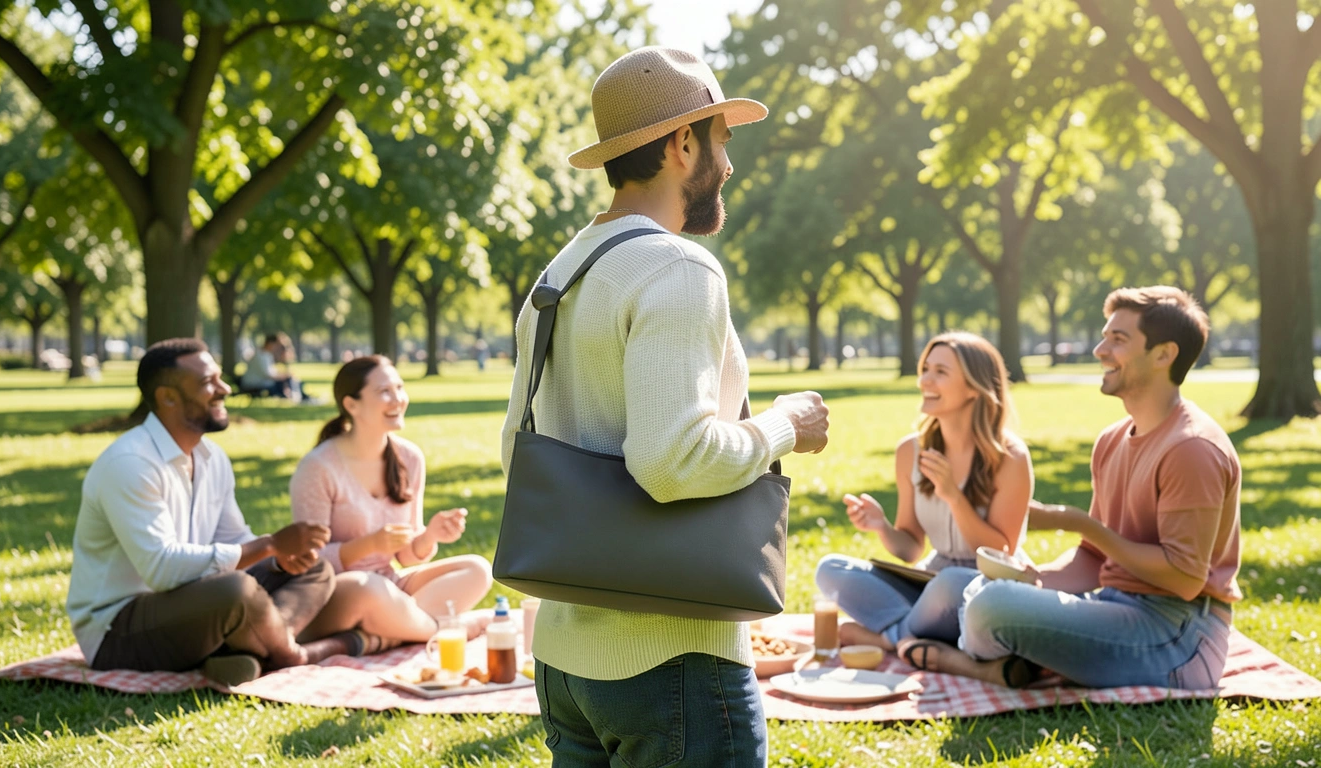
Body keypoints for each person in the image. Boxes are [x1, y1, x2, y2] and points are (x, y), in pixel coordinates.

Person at [499, 46, 830, 767]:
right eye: (722, 141)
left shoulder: (559, 274)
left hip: (563, 659)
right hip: (673, 658)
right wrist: (786, 427)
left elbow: (515, 449)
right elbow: (671, 462)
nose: (730, 167)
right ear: (684, 143)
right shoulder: (678, 267)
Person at [899, 287, 1242, 690]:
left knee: (989, 607)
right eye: (1104, 336)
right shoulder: (1112, 440)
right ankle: (1009, 655)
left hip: (1178, 633)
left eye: (1118, 340)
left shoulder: (1191, 449)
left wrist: (1077, 522)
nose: (1100, 349)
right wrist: (1032, 580)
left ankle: (964, 660)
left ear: (1164, 354)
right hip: (1114, 605)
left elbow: (1184, 579)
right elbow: (1093, 561)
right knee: (965, 584)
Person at [66, 339, 356, 687]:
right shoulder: (131, 464)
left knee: (315, 569)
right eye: (208, 383)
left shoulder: (211, 457)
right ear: (167, 397)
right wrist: (268, 545)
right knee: (236, 590)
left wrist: (280, 558)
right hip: (119, 630)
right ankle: (292, 655)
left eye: (220, 378)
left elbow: (233, 539)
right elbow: (161, 569)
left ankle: (244, 656)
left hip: (192, 603)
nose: (225, 389)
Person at [816, 332, 1033, 652]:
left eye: (940, 372)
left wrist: (953, 496)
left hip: (987, 586)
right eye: (925, 369)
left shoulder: (1011, 457)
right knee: (831, 569)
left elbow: (1002, 550)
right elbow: (910, 549)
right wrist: (882, 527)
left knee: (948, 584)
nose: (924, 381)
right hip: (931, 583)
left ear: (974, 388)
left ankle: (890, 638)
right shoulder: (910, 451)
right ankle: (926, 634)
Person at [291, 356, 492, 651]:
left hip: (391, 587)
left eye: (400, 387)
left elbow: (406, 556)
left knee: (478, 569)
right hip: (336, 591)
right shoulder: (318, 467)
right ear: (351, 405)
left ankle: (382, 637)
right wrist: (369, 544)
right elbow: (307, 561)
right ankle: (440, 628)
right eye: (384, 391)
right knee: (369, 587)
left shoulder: (409, 459)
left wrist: (430, 536)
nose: (398, 399)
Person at [243, 333, 308, 401]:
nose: (276, 348)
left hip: (263, 382)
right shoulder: (260, 356)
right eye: (276, 345)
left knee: (290, 379)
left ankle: (299, 396)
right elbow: (269, 375)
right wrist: (285, 376)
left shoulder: (266, 355)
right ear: (270, 343)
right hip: (255, 384)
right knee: (286, 380)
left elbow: (272, 372)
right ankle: (297, 397)